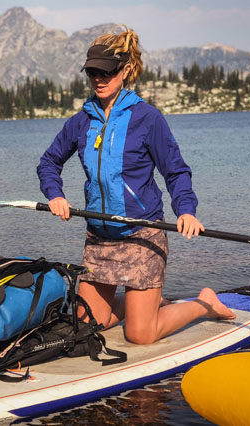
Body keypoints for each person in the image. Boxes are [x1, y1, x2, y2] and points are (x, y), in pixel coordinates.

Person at [36, 26, 236, 345]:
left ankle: (203, 304)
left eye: (107, 72)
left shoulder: (148, 119)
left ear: (126, 70)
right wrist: (55, 194)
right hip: (99, 237)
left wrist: (186, 210)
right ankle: (148, 303)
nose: (99, 79)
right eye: (92, 73)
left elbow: (176, 171)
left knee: (141, 334)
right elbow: (49, 162)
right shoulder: (81, 121)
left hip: (142, 233)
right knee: (88, 324)